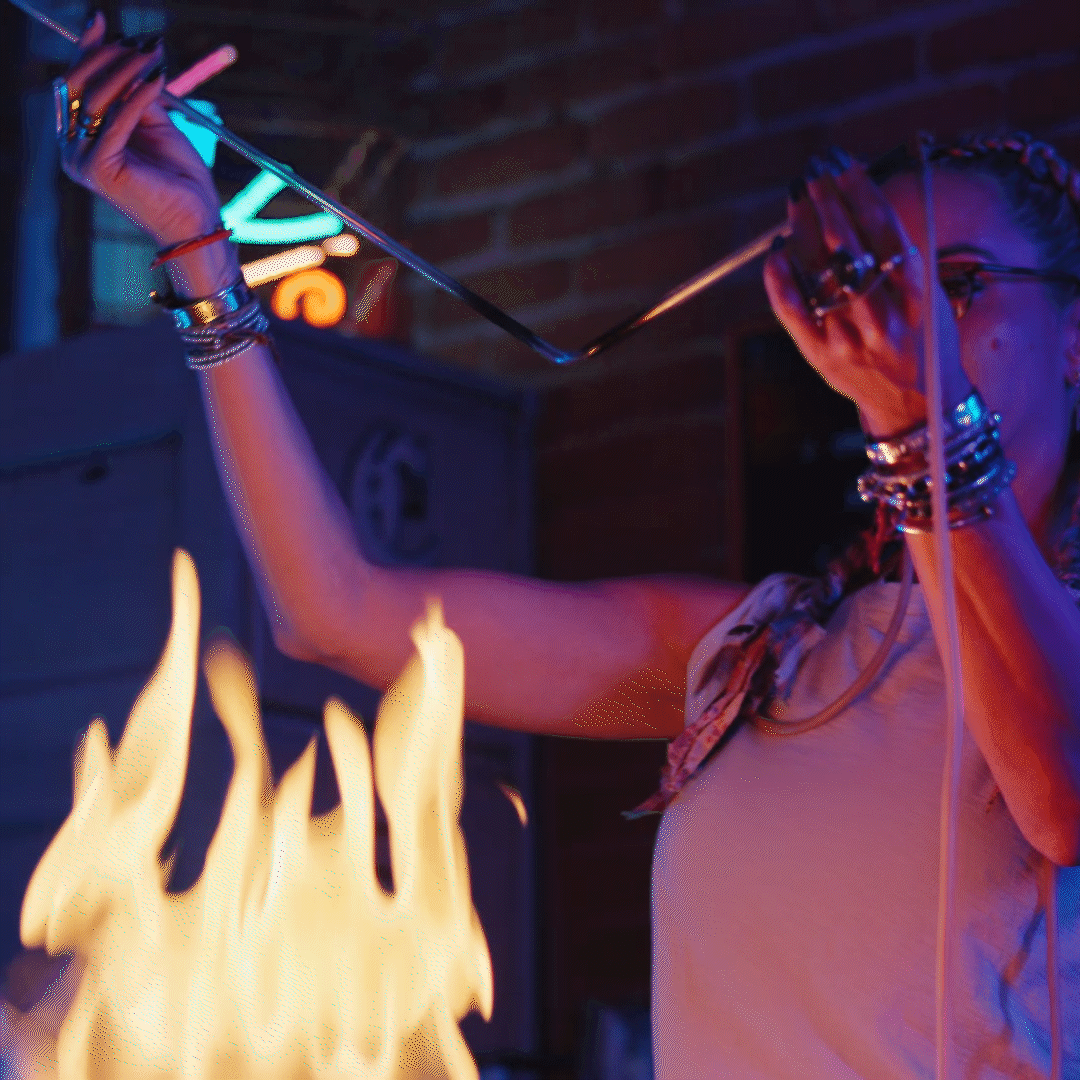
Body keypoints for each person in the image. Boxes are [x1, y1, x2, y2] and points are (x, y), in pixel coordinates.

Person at [36, 12, 1080, 1078]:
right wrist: (199, 253)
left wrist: (922, 428)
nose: (912, 325)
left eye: (956, 285)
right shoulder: (764, 654)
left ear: (1076, 338)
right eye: (878, 280)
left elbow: (1060, 796)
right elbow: (334, 609)